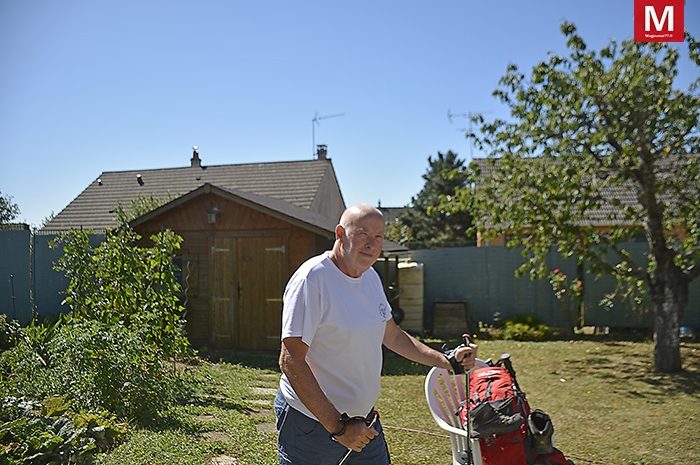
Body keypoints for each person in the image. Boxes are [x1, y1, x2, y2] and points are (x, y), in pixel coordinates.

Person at [275, 204, 477, 465]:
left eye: (378, 237)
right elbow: (291, 359)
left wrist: (446, 360)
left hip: (362, 422)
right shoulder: (313, 280)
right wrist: (338, 427)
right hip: (312, 423)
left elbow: (392, 335)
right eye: (362, 234)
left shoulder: (370, 277)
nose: (371, 243)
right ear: (340, 233)